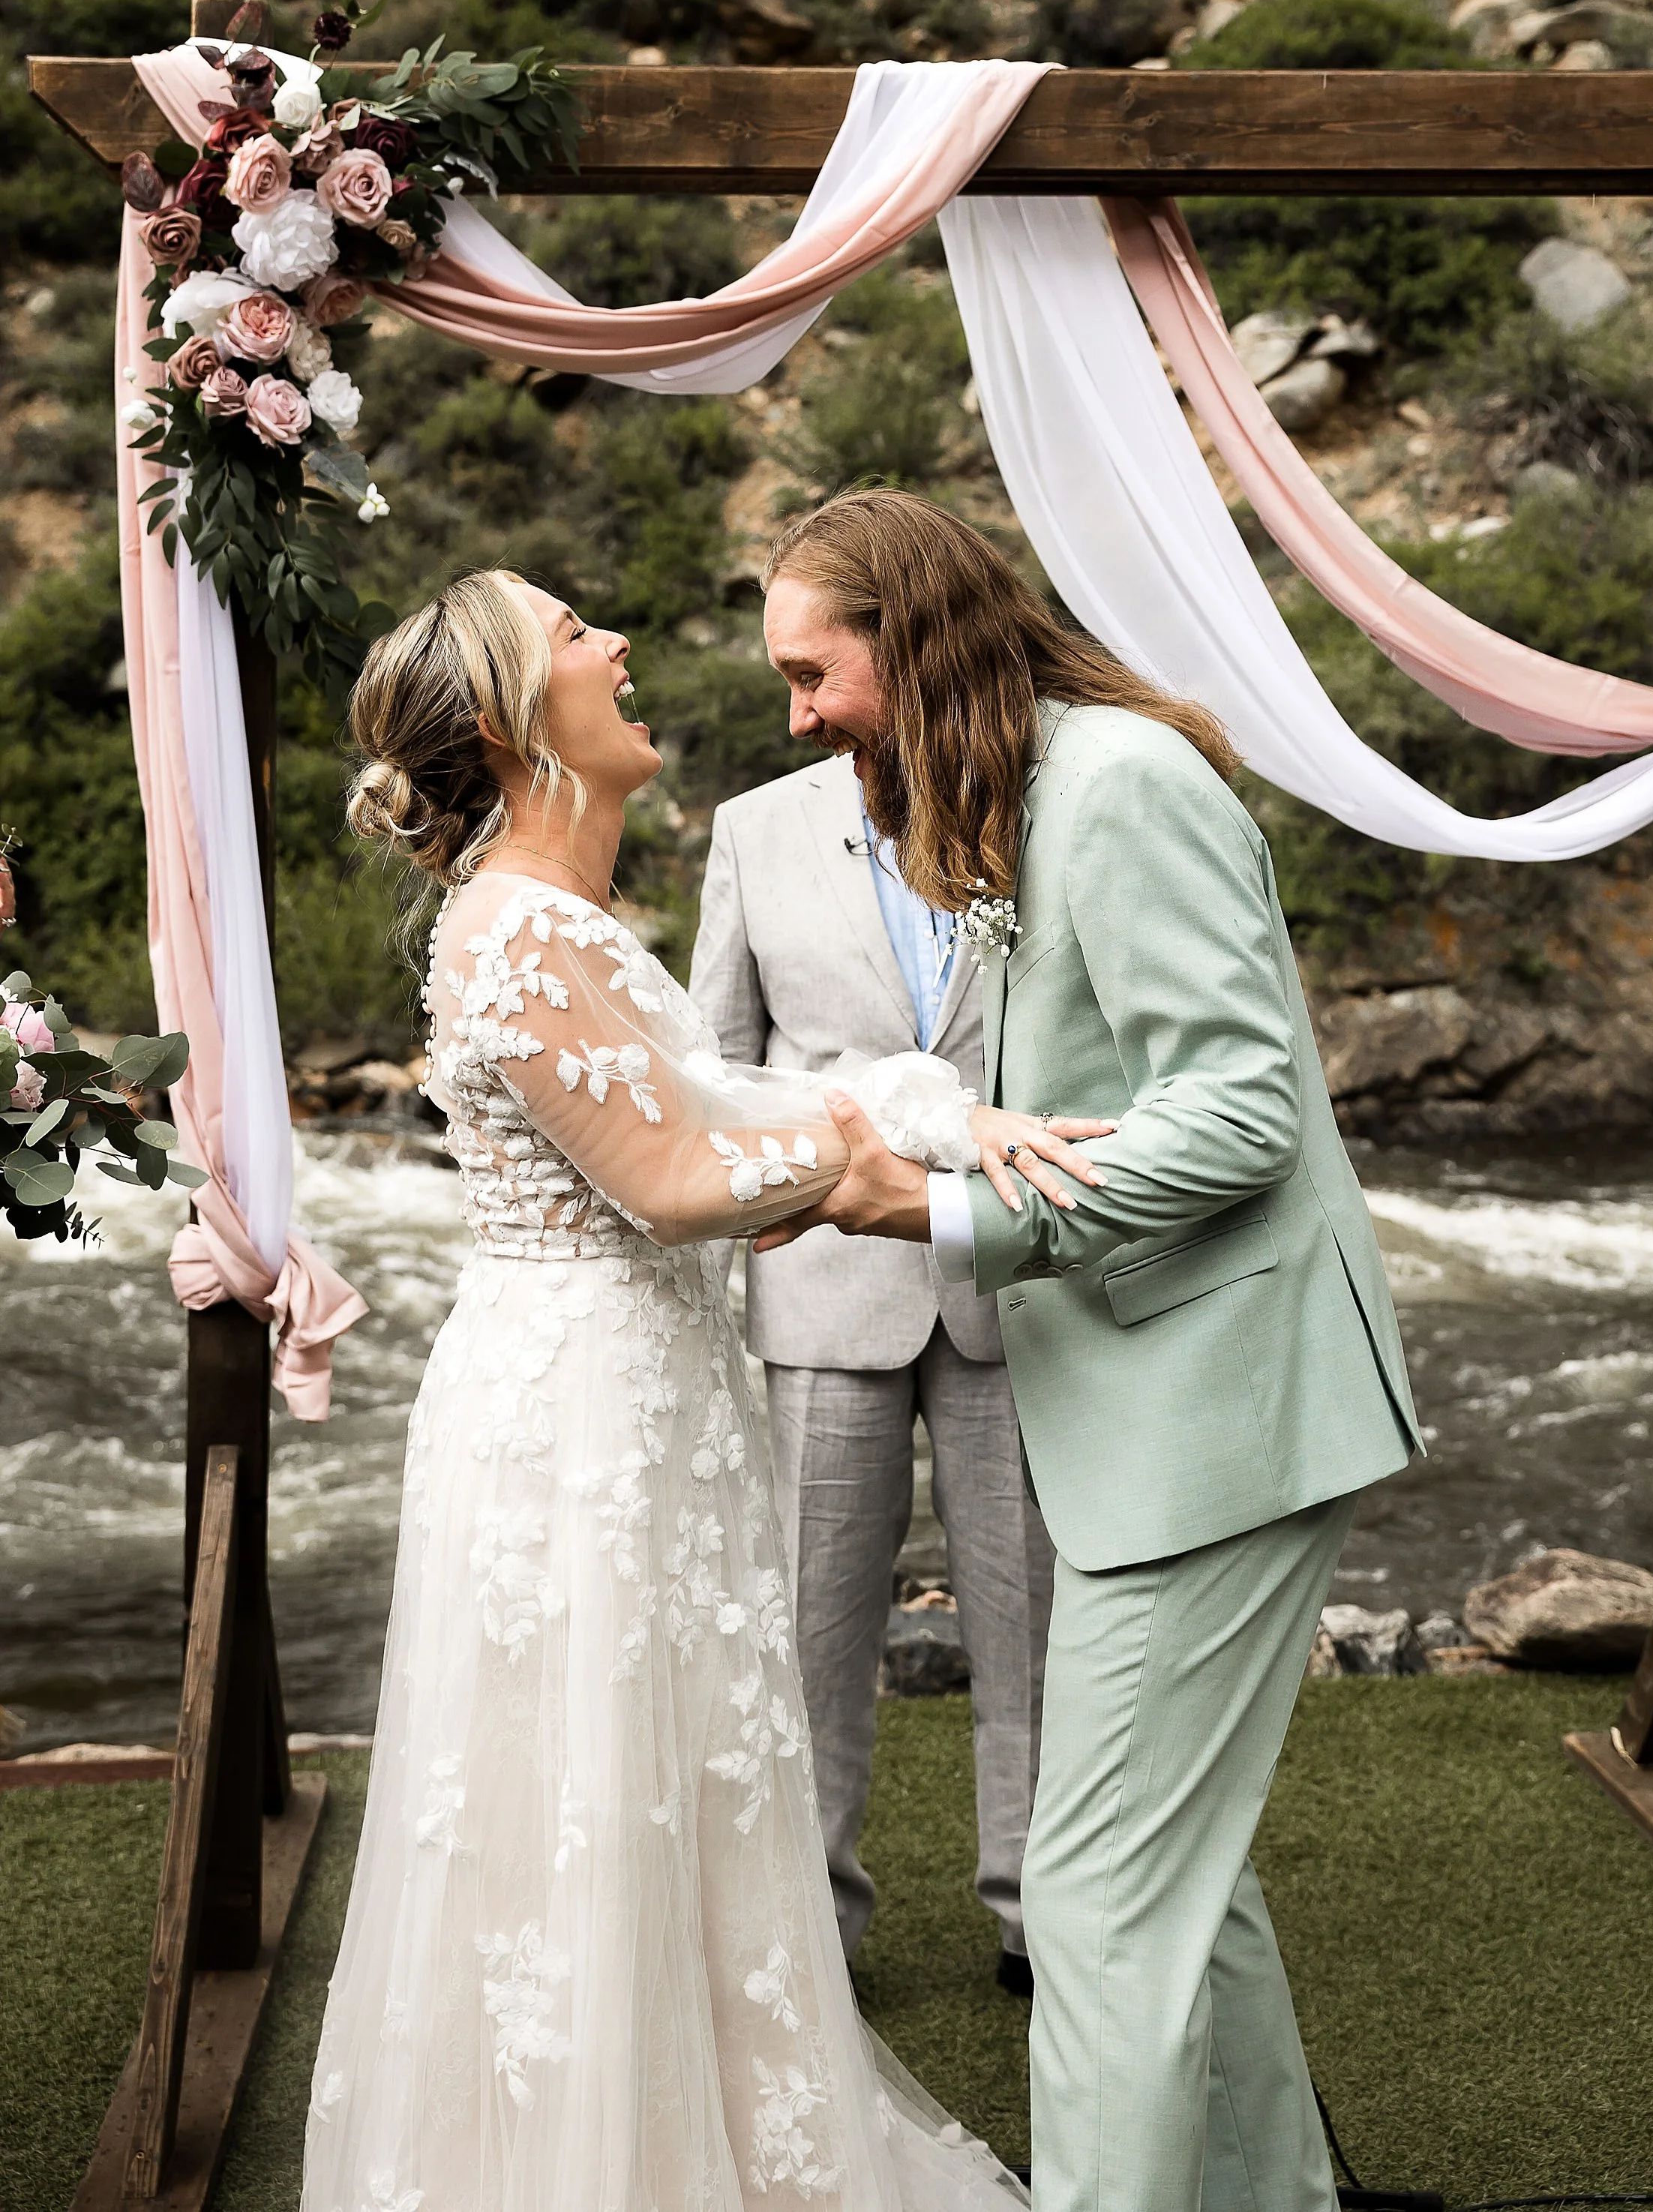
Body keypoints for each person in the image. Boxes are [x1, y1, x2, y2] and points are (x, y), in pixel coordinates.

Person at [303, 568, 1108, 2212]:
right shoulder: (518, 926)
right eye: (571, 634)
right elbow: (669, 1174)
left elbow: (707, 1093)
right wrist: (889, 1134)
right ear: (520, 719)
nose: (615, 642)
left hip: (641, 1389)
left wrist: (921, 1110)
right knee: (584, 1781)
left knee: (674, 1770)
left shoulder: (556, 913)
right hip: (580, 1411)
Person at [752, 491, 1424, 2212]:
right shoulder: (1032, 786)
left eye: (809, 673)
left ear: (905, 644)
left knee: (1096, 1900)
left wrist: (942, 1210)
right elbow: (1098, 1093)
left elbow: (1246, 1112)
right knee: (1180, 1882)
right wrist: (954, 1139)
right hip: (1161, 1417)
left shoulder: (1117, 788)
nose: (798, 716)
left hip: (1219, 1416)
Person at [691, 740, 1050, 1991]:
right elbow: (715, 1074)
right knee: (809, 1623)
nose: (793, 713)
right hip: (825, 1281)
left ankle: (1037, 1914)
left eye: (813, 670)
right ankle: (810, 1919)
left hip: (1012, 1276)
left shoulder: (1036, 795)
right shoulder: (753, 824)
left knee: (1032, 1618)